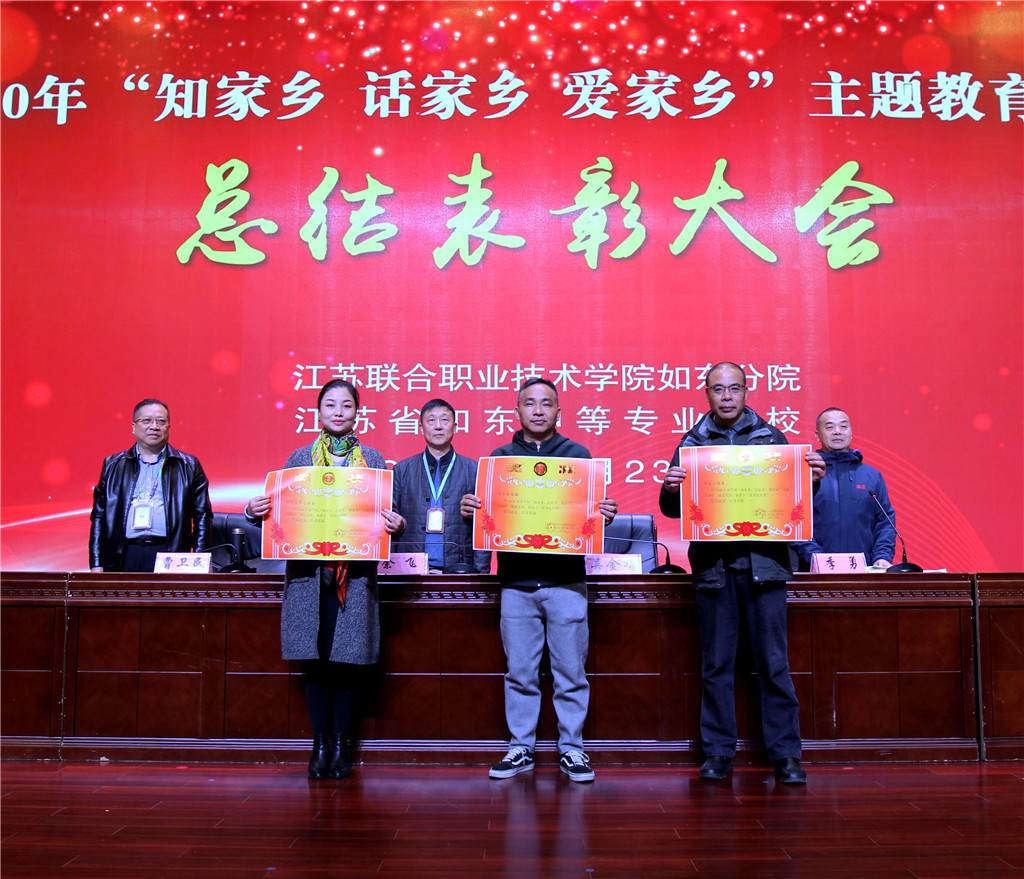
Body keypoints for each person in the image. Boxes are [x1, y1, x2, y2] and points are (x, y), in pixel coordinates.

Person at [658, 363, 825, 785]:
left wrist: (812, 482)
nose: (727, 396)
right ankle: (718, 752)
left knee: (774, 663)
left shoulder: (772, 439)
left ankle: (786, 754)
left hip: (765, 566)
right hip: (714, 569)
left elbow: (794, 499)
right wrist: (671, 489)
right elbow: (673, 509)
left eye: (734, 389)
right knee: (717, 665)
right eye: (719, 390)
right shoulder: (693, 442)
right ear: (707, 394)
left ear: (747, 392)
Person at [246, 380, 404, 780]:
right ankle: (319, 745)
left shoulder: (373, 460)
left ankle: (340, 744)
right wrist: (254, 511)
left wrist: (397, 524)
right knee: (315, 663)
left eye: (346, 405)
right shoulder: (300, 458)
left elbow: (388, 514)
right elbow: (281, 513)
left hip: (354, 578)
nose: (338, 412)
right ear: (318, 412)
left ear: (357, 413)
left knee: (347, 662)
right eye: (330, 405)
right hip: (309, 578)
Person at [461, 378, 617, 783]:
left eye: (546, 404)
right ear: (517, 411)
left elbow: (589, 518)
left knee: (571, 673)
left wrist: (602, 513)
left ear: (558, 412)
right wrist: (472, 511)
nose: (538, 410)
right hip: (516, 583)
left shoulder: (578, 458)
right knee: (520, 673)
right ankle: (521, 748)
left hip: (566, 583)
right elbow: (487, 519)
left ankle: (572, 748)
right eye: (529, 403)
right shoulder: (499, 461)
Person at [89, 399, 211, 573]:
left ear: (169, 427)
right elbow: (99, 517)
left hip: (170, 553)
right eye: (146, 420)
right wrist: (96, 563)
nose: (154, 426)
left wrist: (200, 561)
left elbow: (202, 516)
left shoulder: (188, 465)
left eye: (161, 421)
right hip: (123, 553)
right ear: (133, 427)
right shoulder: (113, 465)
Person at [391, 398, 490, 574]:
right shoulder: (402, 470)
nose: (438, 426)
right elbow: (389, 524)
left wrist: (481, 575)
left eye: (444, 420)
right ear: (421, 428)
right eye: (431, 421)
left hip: (459, 569)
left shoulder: (474, 470)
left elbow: (484, 527)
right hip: (410, 569)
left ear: (455, 427)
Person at [795, 408, 897, 570]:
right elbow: (795, 522)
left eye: (843, 426)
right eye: (830, 427)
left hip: (864, 570)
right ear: (817, 435)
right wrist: (817, 558)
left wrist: (882, 556)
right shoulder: (805, 474)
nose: (837, 431)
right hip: (815, 572)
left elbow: (885, 522)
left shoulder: (871, 475)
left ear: (851, 433)